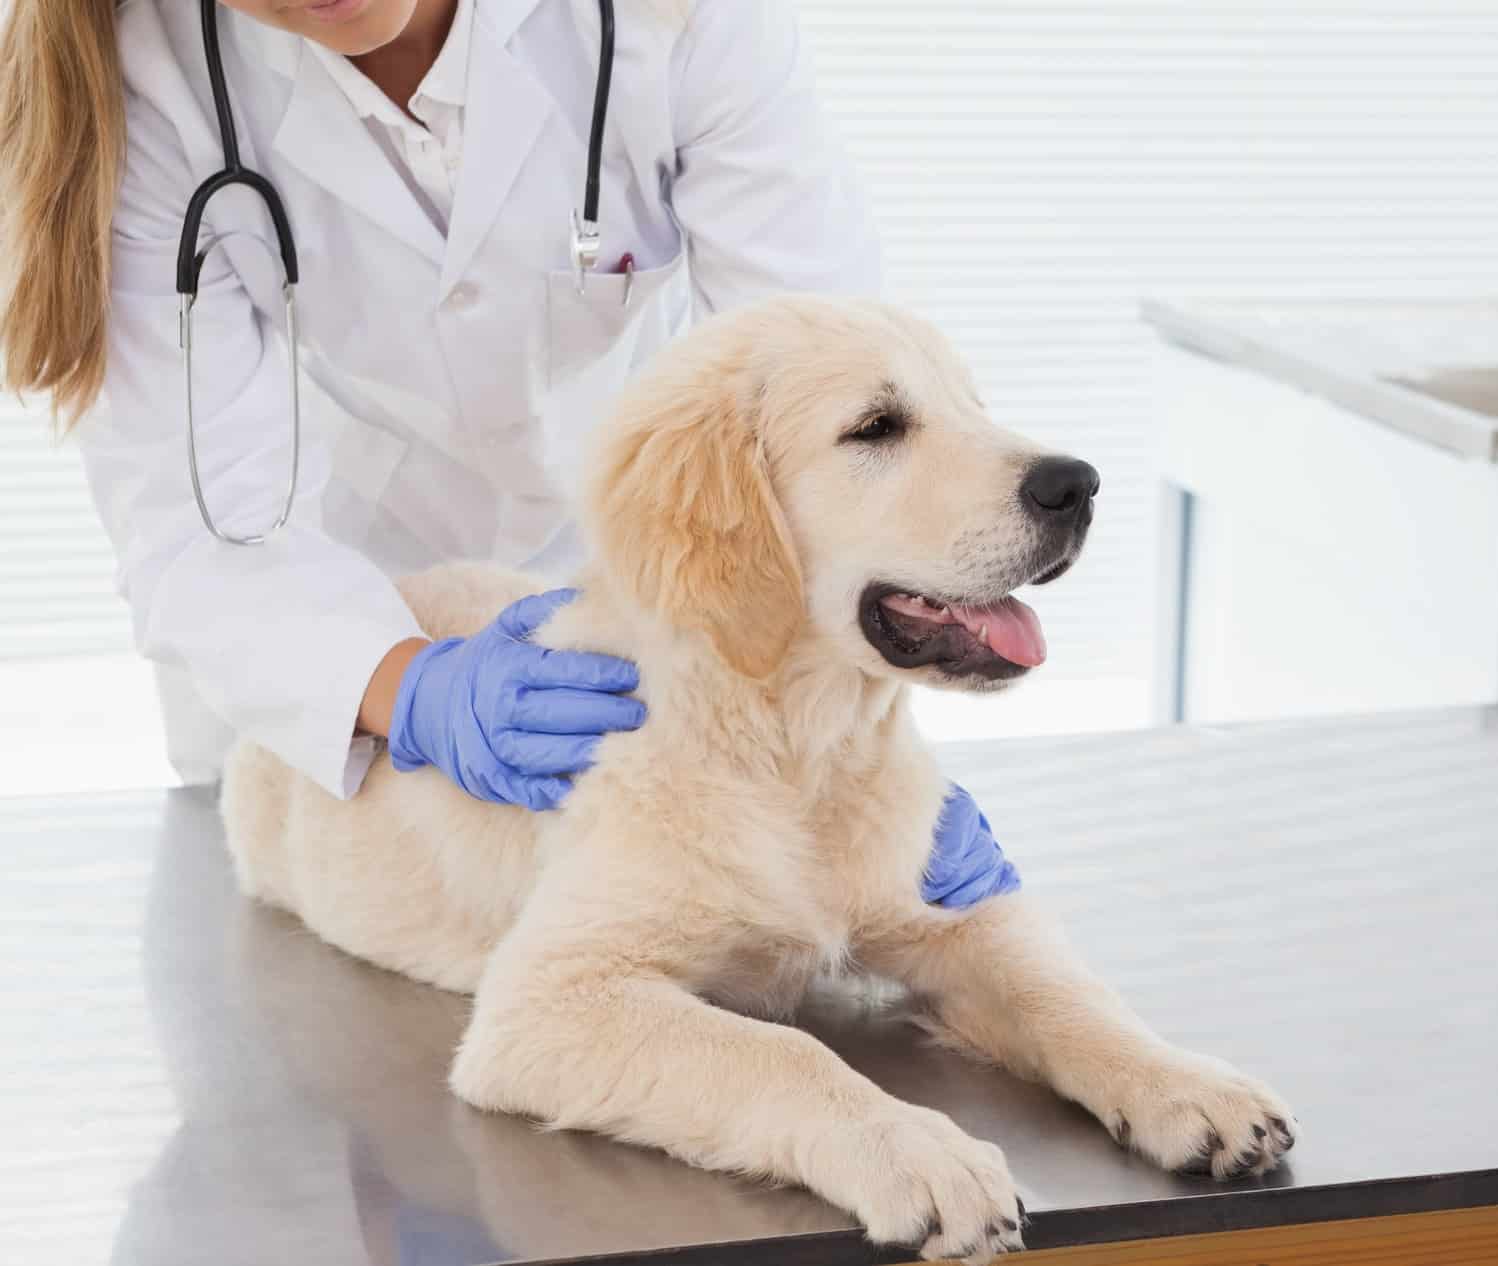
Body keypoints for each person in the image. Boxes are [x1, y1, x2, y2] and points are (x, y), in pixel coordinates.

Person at [0, 0, 1017, 904]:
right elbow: (193, 521)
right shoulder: (145, 72)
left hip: (646, 601)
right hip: (323, 632)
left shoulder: (682, 18)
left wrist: (857, 761)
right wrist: (413, 690)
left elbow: (820, 389)